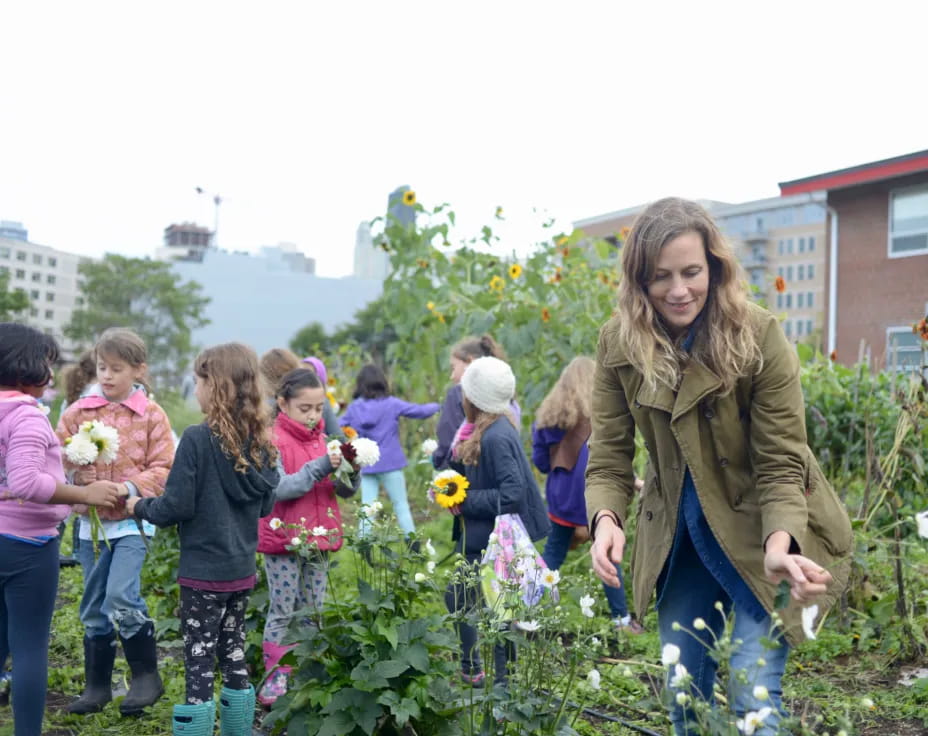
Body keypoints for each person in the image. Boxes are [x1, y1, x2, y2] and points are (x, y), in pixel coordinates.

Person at [585, 198, 852, 736]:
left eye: (691, 272)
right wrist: (606, 521)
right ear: (639, 281)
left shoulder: (757, 336)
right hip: (679, 540)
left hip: (761, 530)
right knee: (683, 690)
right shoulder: (619, 345)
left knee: (753, 698)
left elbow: (782, 461)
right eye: (660, 277)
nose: (679, 290)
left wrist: (782, 543)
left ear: (714, 267)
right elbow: (609, 456)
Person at [127, 343, 279, 736]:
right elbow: (264, 507)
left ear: (215, 386)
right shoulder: (262, 443)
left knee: (198, 662)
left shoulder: (196, 439)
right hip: (241, 571)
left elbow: (175, 506)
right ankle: (238, 731)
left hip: (202, 575)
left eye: (197, 380)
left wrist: (137, 506)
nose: (195, 388)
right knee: (233, 655)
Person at [0, 323, 123, 736]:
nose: (52, 376)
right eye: (46, 365)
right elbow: (26, 483)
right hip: (27, 546)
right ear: (26, 367)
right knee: (30, 648)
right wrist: (85, 494)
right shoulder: (27, 418)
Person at [57, 328, 174, 716]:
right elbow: (56, 458)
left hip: (130, 523)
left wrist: (127, 487)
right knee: (93, 604)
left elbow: (163, 466)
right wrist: (76, 479)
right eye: (102, 367)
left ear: (139, 370)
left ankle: (145, 677)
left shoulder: (151, 416)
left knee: (121, 592)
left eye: (117, 369)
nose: (107, 375)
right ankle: (97, 688)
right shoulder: (77, 412)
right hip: (90, 526)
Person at [444, 356, 550, 687]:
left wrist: (465, 501)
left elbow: (513, 493)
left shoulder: (496, 437)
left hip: (496, 539)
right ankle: (494, 675)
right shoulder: (488, 429)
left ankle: (496, 681)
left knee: (477, 603)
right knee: (489, 606)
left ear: (473, 398)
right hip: (485, 535)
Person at [256, 368, 359, 706]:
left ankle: (306, 669)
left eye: (319, 408)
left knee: (313, 608)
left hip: (319, 539)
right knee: (284, 608)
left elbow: (340, 491)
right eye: (306, 408)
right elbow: (280, 488)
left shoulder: (323, 439)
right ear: (283, 403)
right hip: (284, 540)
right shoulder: (272, 440)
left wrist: (351, 472)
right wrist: (320, 467)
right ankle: (276, 673)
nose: (314, 415)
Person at [531, 356, 644, 634]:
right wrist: (633, 480)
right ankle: (621, 619)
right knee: (607, 554)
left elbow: (542, 462)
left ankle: (530, 609)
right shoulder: (605, 418)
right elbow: (614, 458)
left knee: (554, 553)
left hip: (562, 497)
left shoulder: (549, 417)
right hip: (596, 494)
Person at [339, 364, 439, 536]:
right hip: (391, 462)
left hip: (367, 462)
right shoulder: (392, 404)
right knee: (400, 504)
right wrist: (441, 405)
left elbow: (337, 424)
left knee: (367, 507)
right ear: (381, 382)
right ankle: (412, 543)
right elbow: (420, 411)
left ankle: (364, 545)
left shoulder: (354, 408)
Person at [432, 335, 519, 470]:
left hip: (468, 469)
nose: (452, 376)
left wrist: (438, 459)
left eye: (454, 368)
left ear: (470, 362)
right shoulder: (507, 394)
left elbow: (447, 434)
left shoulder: (460, 392)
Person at [259, 348, 343, 443]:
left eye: (318, 409)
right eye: (305, 409)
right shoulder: (319, 400)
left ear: (264, 377)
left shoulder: (263, 408)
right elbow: (339, 439)